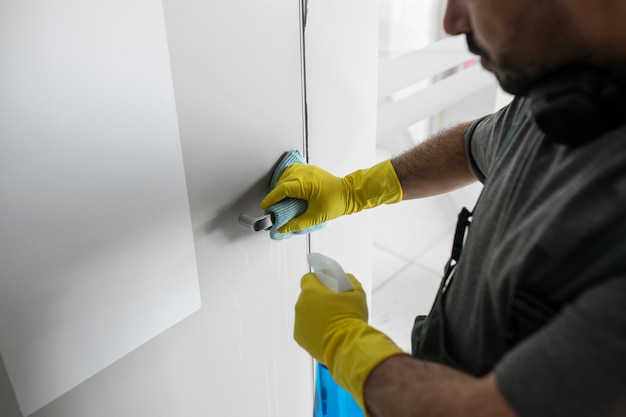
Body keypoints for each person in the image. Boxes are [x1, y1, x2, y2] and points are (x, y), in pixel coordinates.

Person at [261, 0, 626, 416]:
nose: (451, 23)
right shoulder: (566, 98)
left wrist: (345, 344)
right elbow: (472, 147)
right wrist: (354, 190)